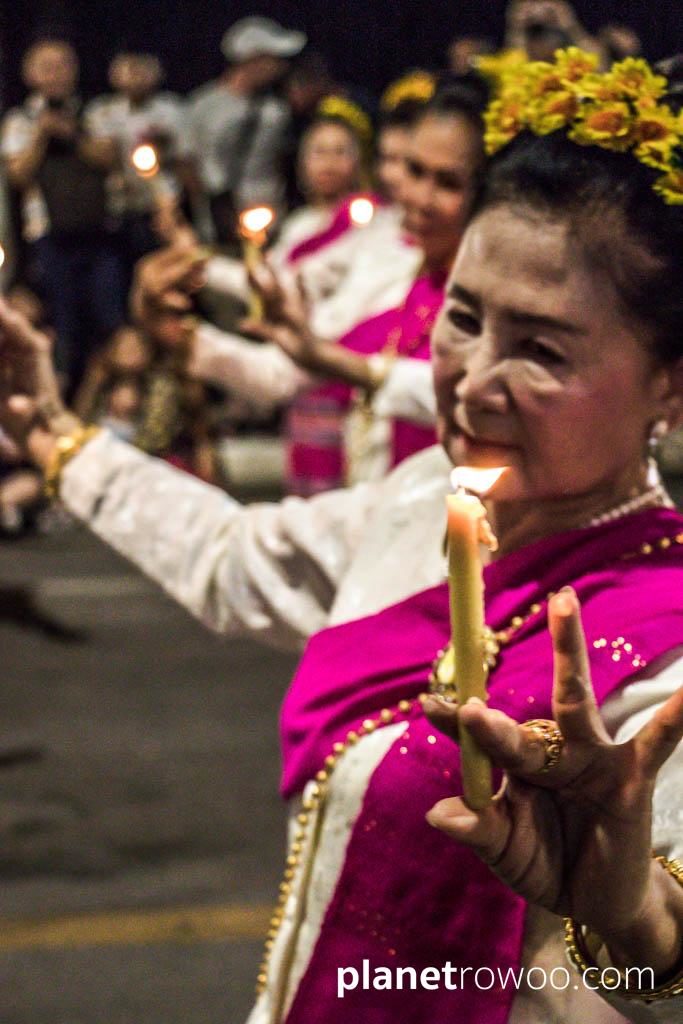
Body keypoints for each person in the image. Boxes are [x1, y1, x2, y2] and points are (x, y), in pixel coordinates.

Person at [1, 48, 683, 1024]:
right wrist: (53, 432)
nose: (468, 378)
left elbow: (649, 960)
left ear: (669, 383)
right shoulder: (420, 498)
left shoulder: (662, 651)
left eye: (538, 348)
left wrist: (640, 928)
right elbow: (235, 559)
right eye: (461, 317)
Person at [159, 78, 487, 493]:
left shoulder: (493, 291)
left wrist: (343, 365)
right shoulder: (381, 255)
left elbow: (474, 398)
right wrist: (180, 333)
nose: (418, 196)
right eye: (413, 170)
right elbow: (283, 369)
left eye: (448, 183)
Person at [0, 38, 126, 396]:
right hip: (50, 238)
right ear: (29, 74)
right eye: (47, 66)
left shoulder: (97, 112)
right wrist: (42, 134)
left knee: (109, 320)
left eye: (63, 65)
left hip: (100, 234)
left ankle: (112, 399)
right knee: (62, 324)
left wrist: (73, 134)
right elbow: (17, 175)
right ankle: (63, 397)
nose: (56, 74)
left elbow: (110, 157)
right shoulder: (20, 120)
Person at [182, 16, 306, 243]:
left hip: (269, 220)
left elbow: (283, 161)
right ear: (253, 59)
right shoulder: (203, 105)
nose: (281, 66)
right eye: (273, 59)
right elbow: (187, 163)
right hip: (217, 224)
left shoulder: (277, 109)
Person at [85, 52, 186, 277]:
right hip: (117, 208)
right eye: (129, 70)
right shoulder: (102, 111)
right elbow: (97, 156)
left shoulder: (171, 110)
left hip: (162, 206)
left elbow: (183, 158)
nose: (136, 77)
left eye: (143, 70)